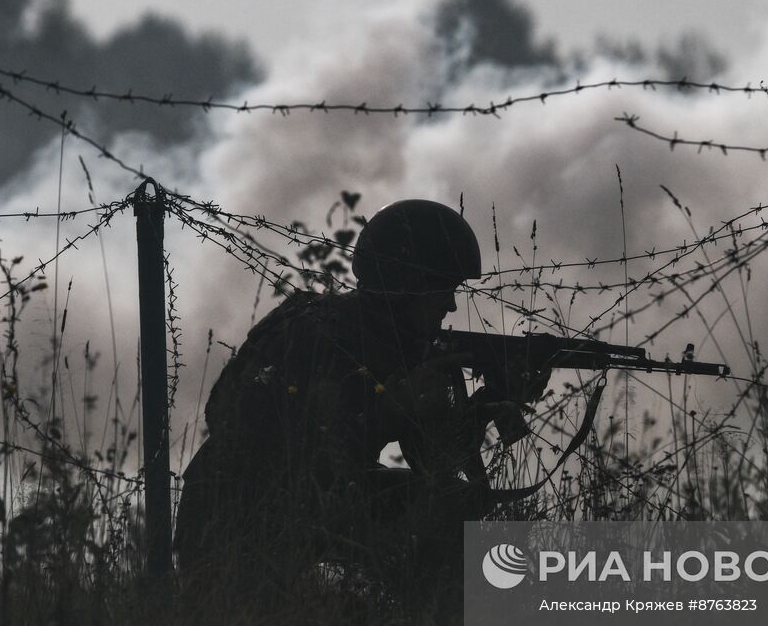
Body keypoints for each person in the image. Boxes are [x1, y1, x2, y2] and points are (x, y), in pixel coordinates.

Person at [174, 199, 543, 590]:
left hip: (312, 509)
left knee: (449, 504)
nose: (451, 305)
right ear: (406, 285)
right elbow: (262, 439)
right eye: (442, 290)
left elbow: (434, 466)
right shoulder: (320, 334)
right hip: (236, 526)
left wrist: (485, 404)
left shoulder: (402, 345)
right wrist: (383, 415)